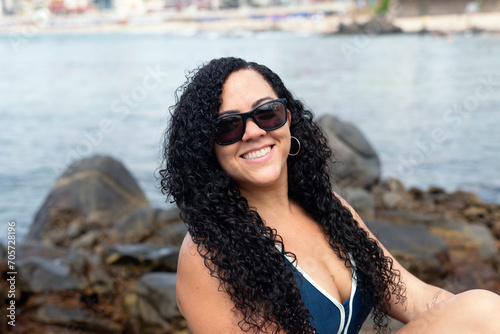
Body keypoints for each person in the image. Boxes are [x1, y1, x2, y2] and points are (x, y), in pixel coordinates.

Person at [159, 57, 500, 334]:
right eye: (228, 125)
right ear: (207, 147)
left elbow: (415, 300)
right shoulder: (208, 252)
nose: (254, 132)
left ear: (288, 121)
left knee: (483, 308)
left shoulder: (329, 208)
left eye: (267, 113)